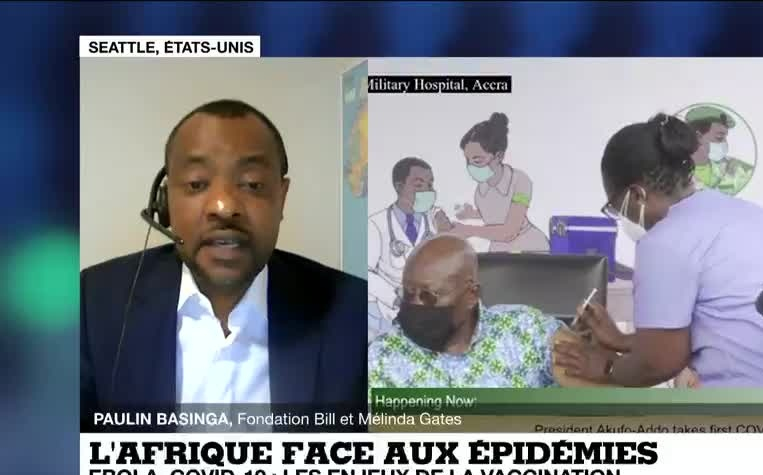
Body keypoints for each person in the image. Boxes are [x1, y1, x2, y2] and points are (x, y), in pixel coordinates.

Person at [80, 99, 367, 430]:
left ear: (282, 197)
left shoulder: (359, 312)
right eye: (197, 184)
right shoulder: (93, 303)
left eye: (252, 184)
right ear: (165, 201)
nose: (224, 206)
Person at [554, 113, 763, 388]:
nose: (623, 217)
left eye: (617, 207)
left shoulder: (665, 241)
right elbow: (731, 320)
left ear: (637, 195)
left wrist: (605, 368)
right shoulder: (747, 213)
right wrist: (623, 341)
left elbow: (659, 362)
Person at [368, 235, 561, 388]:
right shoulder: (381, 357)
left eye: (428, 296)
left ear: (471, 295)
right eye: (408, 293)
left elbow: (577, 383)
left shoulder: (527, 331)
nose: (415, 303)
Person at [368, 157, 453, 338]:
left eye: (430, 185)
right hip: (386, 312)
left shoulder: (436, 222)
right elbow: (366, 272)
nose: (427, 191)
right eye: (419, 185)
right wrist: (396, 298)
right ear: (399, 187)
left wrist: (444, 236)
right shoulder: (376, 224)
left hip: (429, 311)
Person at [450, 113, 550, 252]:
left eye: (477, 160)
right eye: (468, 160)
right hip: (499, 249)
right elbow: (496, 211)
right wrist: (471, 214)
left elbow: (510, 231)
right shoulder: (480, 190)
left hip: (530, 249)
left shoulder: (520, 180)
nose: (471, 166)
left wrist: (468, 230)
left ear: (499, 156)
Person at [685, 105, 754, 196]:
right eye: (719, 137)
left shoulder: (739, 169)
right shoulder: (672, 171)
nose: (725, 143)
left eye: (725, 137)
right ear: (698, 136)